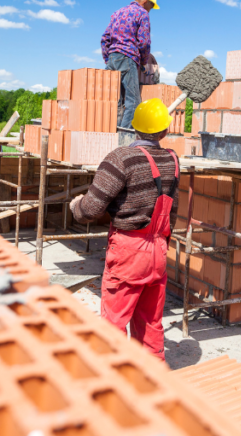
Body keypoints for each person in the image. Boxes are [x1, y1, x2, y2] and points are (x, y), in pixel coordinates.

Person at [69, 98, 178, 359]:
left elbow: (92, 209)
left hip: (129, 251)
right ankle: (153, 383)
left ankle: (114, 385)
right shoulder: (172, 159)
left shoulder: (121, 158)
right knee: (151, 323)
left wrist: (75, 207)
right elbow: (171, 210)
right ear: (165, 130)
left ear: (134, 126)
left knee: (113, 323)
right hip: (159, 249)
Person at [101, 0, 160, 130]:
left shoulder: (117, 13)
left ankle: (112, 135)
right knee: (133, 102)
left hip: (112, 59)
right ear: (145, 1)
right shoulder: (142, 13)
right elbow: (144, 42)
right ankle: (122, 137)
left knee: (117, 102)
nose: (151, 9)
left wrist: (108, 59)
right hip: (127, 58)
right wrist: (144, 62)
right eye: (151, 6)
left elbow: (104, 38)